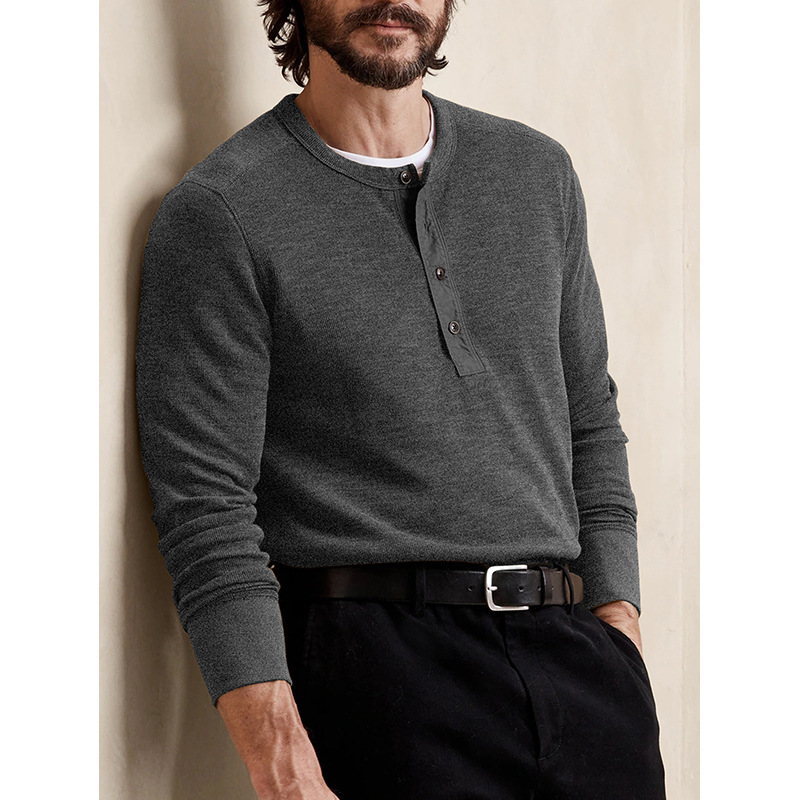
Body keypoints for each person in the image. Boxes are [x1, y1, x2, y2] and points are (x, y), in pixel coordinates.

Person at [135, 1, 667, 797]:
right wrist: (279, 757)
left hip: (580, 670)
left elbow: (589, 417)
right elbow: (206, 509)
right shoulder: (224, 213)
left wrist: (618, 628)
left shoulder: (537, 174)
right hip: (379, 680)